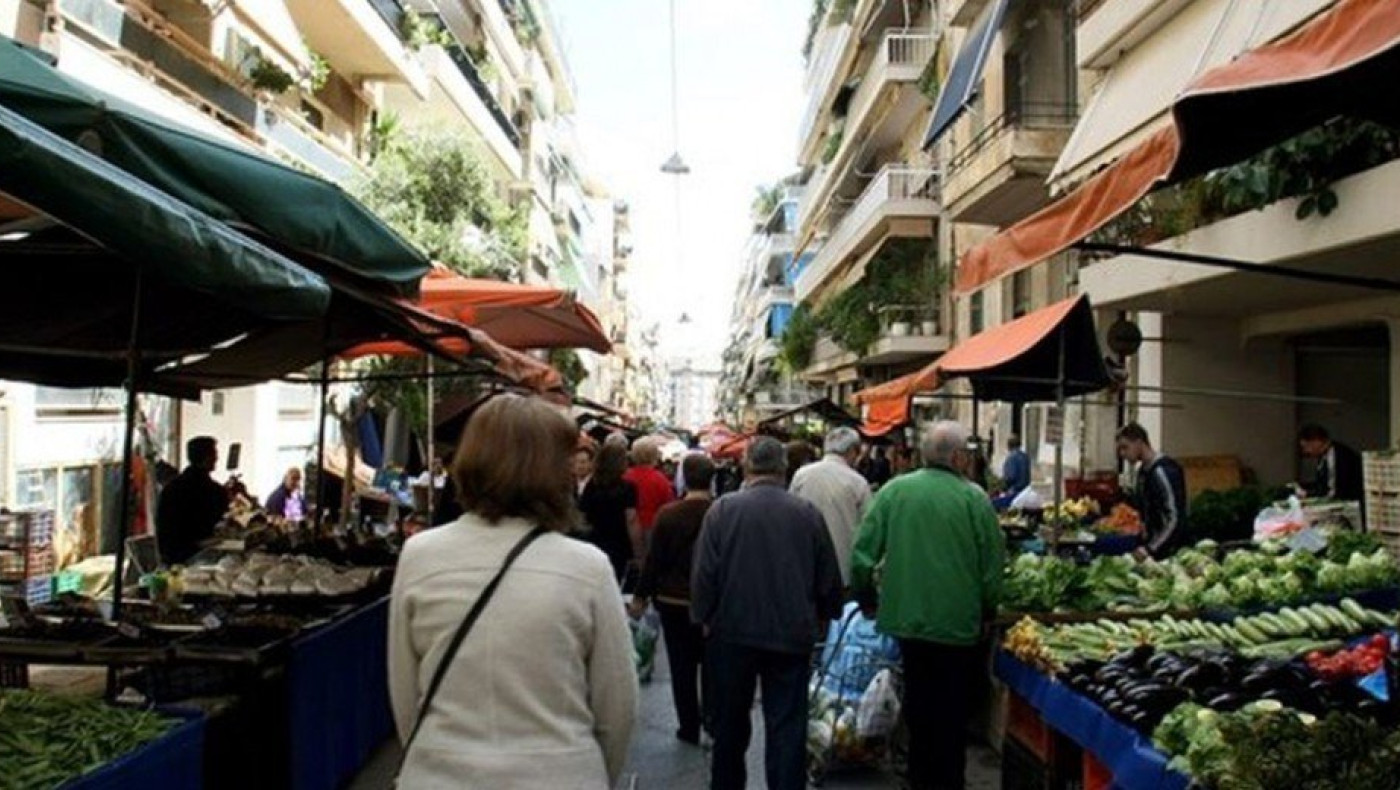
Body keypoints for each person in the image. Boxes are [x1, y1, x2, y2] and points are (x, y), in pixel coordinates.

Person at [388, 394, 637, 789]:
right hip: (560, 775)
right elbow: (617, 709)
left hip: (439, 774)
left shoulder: (420, 556)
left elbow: (405, 694)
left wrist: (437, 755)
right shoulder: (587, 568)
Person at [850, 421, 1004, 790]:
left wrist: (865, 596)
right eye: (965, 453)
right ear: (956, 457)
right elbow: (991, 565)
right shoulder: (974, 499)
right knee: (952, 710)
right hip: (957, 623)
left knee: (918, 703)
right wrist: (988, 609)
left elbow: (863, 554)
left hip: (908, 619)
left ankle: (919, 776)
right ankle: (948, 779)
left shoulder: (895, 491)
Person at [693, 437, 844, 790]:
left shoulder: (723, 510)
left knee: (729, 725)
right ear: (783, 469)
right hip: (791, 634)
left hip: (732, 631)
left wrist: (703, 616)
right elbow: (828, 577)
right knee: (787, 726)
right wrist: (827, 613)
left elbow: (704, 573)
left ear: (747, 467)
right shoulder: (807, 514)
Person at [632, 453, 716, 746]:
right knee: (710, 662)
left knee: (682, 665)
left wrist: (641, 595)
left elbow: (655, 560)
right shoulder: (720, 512)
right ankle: (711, 719)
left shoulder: (668, 514)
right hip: (711, 603)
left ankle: (688, 725)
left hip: (672, 599)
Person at [789, 427, 872, 587]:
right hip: (843, 570)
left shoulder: (801, 475)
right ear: (852, 451)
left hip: (806, 566)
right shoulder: (858, 482)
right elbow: (867, 528)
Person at [1116, 423, 1190, 558]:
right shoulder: (1143, 472)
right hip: (1152, 548)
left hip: (1169, 551)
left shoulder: (1162, 471)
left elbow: (1175, 517)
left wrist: (1152, 548)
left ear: (1139, 442)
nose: (1123, 454)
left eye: (1125, 447)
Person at [156, 436, 229, 566]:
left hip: (170, 557)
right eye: (214, 454)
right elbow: (215, 518)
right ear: (207, 458)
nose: (217, 458)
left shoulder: (172, 488)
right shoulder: (210, 490)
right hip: (192, 557)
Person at [579, 443, 642, 582]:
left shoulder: (592, 485)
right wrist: (638, 552)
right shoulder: (628, 488)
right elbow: (631, 520)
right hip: (618, 543)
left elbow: (582, 514)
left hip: (593, 541)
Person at [623, 438, 676, 541]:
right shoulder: (660, 479)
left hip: (628, 525)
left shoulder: (626, 476)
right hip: (653, 525)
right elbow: (669, 504)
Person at [1298, 424, 1364, 502]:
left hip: (1348, 500)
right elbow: (1324, 483)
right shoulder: (1323, 457)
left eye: (1306, 446)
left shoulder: (1342, 455)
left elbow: (1338, 487)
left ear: (1317, 442)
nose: (1306, 451)